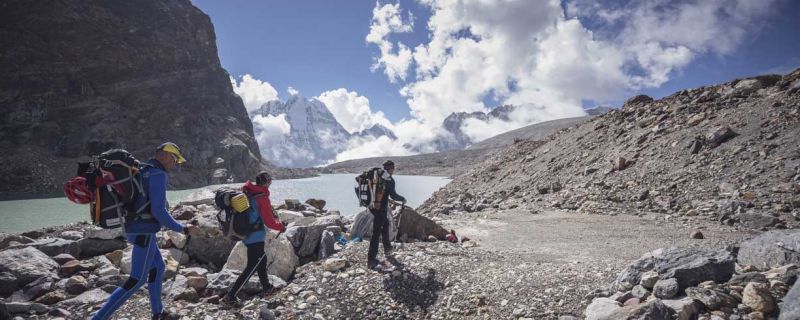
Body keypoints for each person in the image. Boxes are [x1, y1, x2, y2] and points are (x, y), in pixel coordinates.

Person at [92, 142, 197, 320]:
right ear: (163, 155)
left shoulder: (142, 169)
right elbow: (158, 211)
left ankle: (158, 313)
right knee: (137, 279)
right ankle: (98, 318)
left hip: (134, 228)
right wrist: (183, 229)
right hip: (144, 231)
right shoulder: (158, 174)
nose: (175, 163)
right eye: (174, 158)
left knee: (158, 266)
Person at [221, 171, 286, 306]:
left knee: (261, 259)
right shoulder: (261, 197)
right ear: (267, 182)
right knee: (252, 265)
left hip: (247, 233)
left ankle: (267, 287)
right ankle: (230, 296)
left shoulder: (248, 192)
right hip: (255, 235)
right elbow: (269, 222)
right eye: (270, 181)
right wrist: (281, 227)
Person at [367, 160, 406, 270]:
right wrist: (403, 199)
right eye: (393, 168)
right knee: (375, 234)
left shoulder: (376, 177)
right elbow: (393, 195)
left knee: (386, 225)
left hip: (373, 207)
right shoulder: (389, 179)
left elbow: (383, 194)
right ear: (392, 169)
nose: (393, 171)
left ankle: (388, 250)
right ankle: (371, 260)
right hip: (381, 209)